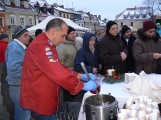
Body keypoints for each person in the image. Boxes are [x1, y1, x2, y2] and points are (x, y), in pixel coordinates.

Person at [20, 18, 97, 120]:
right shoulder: (41, 46)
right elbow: (58, 73)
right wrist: (81, 85)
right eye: (63, 36)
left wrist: (80, 75)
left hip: (46, 97)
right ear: (53, 32)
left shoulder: (48, 45)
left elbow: (60, 68)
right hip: (40, 100)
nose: (64, 39)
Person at [5, 26, 31, 120]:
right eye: (26, 35)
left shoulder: (17, 47)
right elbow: (14, 69)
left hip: (18, 85)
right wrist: (31, 74)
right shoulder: (15, 48)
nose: (28, 37)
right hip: (18, 86)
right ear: (19, 36)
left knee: (22, 113)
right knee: (23, 114)